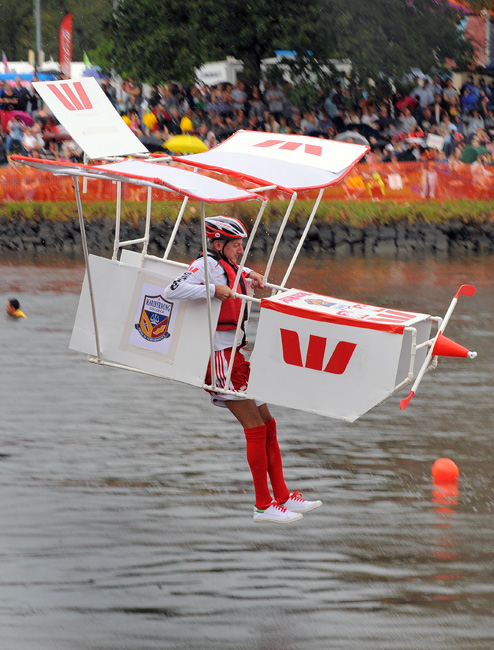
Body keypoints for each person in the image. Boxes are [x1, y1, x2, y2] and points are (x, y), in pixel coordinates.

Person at [163, 216, 322, 524]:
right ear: (218, 244)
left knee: (269, 424)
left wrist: (251, 274)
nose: (240, 251)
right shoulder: (204, 266)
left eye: (241, 246)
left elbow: (235, 271)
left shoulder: (228, 265)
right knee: (255, 427)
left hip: (236, 356)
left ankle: (282, 495)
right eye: (235, 246)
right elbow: (172, 291)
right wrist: (212, 291)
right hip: (219, 358)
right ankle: (263, 505)